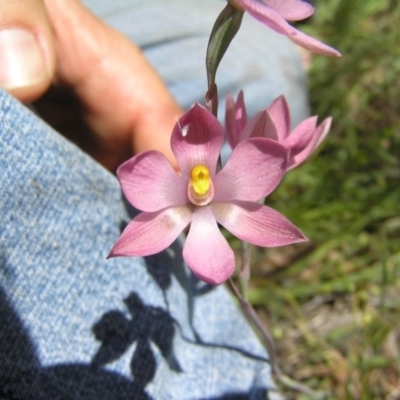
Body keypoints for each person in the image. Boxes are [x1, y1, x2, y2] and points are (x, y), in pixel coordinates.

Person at [0, 1, 308, 398]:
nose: (201, 184)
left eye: (204, 177)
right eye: (198, 177)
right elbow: (141, 179)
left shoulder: (243, 176)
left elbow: (258, 174)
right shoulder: (170, 187)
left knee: (266, 77)